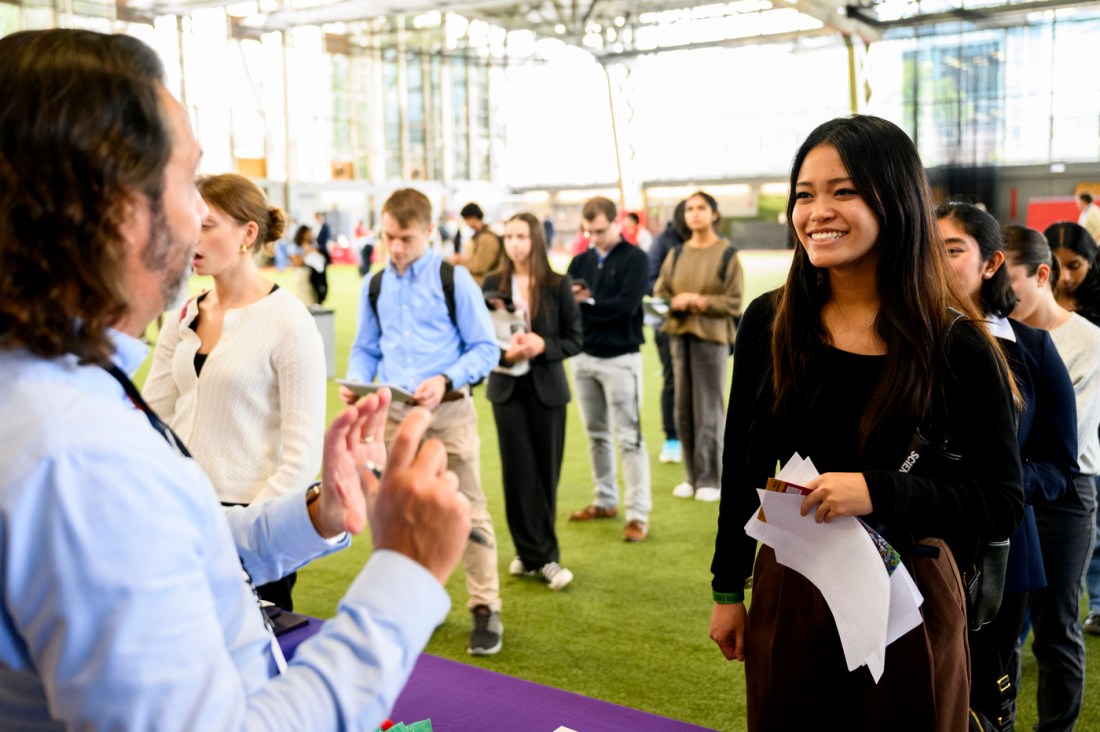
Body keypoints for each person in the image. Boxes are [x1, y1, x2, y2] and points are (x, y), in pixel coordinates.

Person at [0, 28, 470, 729]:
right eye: (188, 181)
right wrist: (402, 579)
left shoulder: (65, 387)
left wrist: (318, 514)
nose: (195, 220)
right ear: (120, 207)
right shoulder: (83, 459)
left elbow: (183, 536)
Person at [708, 115, 1023, 731]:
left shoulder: (957, 344)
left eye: (843, 191)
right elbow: (743, 463)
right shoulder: (769, 322)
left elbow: (1001, 500)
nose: (817, 211)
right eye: (805, 194)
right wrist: (727, 588)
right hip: (793, 576)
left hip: (912, 593)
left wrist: (878, 489)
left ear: (896, 199)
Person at [143, 173, 327, 610]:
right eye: (189, 224)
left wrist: (249, 535)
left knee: (256, 665)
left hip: (254, 521)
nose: (192, 238)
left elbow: (301, 459)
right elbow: (152, 420)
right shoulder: (184, 314)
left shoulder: (289, 321)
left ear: (248, 234)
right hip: (181, 513)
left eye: (207, 226)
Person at [340, 188, 505, 655]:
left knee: (468, 507)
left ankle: (484, 607)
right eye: (388, 236)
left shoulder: (455, 280)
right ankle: (412, 602)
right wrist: (357, 379)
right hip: (394, 413)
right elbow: (367, 347)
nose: (395, 247)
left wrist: (446, 377)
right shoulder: (375, 284)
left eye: (406, 238)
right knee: (398, 510)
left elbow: (486, 349)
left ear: (429, 233)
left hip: (450, 411)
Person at [937, 202, 1078, 730]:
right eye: (928, 250)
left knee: (988, 700)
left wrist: (1004, 484)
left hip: (1002, 552)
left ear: (992, 263)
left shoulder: (1034, 349)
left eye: (952, 249)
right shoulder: (901, 341)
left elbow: (1060, 463)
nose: (936, 262)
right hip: (913, 542)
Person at [1003, 224, 1100, 732]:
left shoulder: (1087, 341)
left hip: (1065, 495)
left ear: (1042, 275)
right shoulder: (995, 331)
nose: (995, 294)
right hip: (1006, 489)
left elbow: (1062, 443)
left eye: (1007, 281)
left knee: (1055, 629)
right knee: (1002, 630)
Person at [483, 213, 583, 591]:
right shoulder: (491, 282)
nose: (515, 243)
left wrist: (543, 345)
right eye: (509, 236)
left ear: (535, 240)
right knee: (516, 473)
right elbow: (478, 337)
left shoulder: (557, 284)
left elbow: (575, 338)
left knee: (545, 474)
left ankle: (537, 554)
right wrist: (501, 355)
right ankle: (538, 556)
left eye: (521, 236)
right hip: (506, 389)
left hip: (547, 390)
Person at [566, 196, 653, 542]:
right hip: (584, 357)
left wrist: (587, 305)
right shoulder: (579, 260)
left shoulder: (636, 258)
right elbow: (568, 307)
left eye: (601, 230)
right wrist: (587, 306)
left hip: (621, 358)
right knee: (596, 435)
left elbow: (626, 307)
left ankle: (638, 514)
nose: (595, 238)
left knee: (629, 437)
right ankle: (605, 501)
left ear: (617, 223)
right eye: (589, 231)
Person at [654, 191, 743, 503]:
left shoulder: (726, 254)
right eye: (689, 209)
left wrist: (702, 302)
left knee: (708, 408)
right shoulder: (676, 253)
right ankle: (691, 476)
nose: (694, 213)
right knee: (683, 407)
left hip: (712, 338)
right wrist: (675, 300)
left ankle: (711, 478)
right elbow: (660, 291)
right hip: (679, 335)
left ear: (714, 214)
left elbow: (734, 300)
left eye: (701, 208)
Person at [648, 201, 690, 465]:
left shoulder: (715, 244)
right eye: (689, 211)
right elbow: (650, 281)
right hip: (667, 325)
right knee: (672, 381)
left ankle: (700, 440)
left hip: (703, 328)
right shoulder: (663, 242)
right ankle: (672, 439)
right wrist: (677, 298)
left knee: (702, 389)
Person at [1043, 221, 1100, 326]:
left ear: (1090, 261)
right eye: (1055, 267)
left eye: (1074, 266)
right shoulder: (1035, 296)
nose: (1064, 277)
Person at [452, 202, 502, 286]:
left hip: (482, 284)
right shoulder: (480, 236)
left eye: (466, 219)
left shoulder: (486, 238)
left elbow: (480, 266)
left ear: (473, 218)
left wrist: (460, 263)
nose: (466, 223)